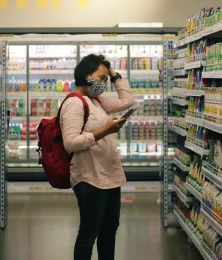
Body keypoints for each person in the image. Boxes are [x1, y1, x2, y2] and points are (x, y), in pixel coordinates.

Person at [60, 54, 135, 260]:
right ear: (86, 76)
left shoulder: (97, 101)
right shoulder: (74, 103)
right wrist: (105, 130)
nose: (103, 84)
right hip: (89, 178)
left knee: (109, 229)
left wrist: (112, 73)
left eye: (105, 80)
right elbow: (70, 143)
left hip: (109, 176)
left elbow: (128, 100)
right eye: (100, 78)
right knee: (89, 233)